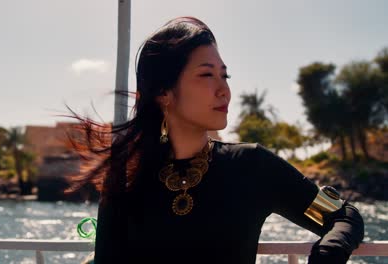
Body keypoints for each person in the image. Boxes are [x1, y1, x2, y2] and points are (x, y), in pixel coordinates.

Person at [67, 17, 364, 264]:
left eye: (225, 76)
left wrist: (329, 252)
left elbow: (343, 216)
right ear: (164, 93)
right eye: (207, 75)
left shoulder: (251, 167)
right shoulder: (125, 176)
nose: (224, 90)